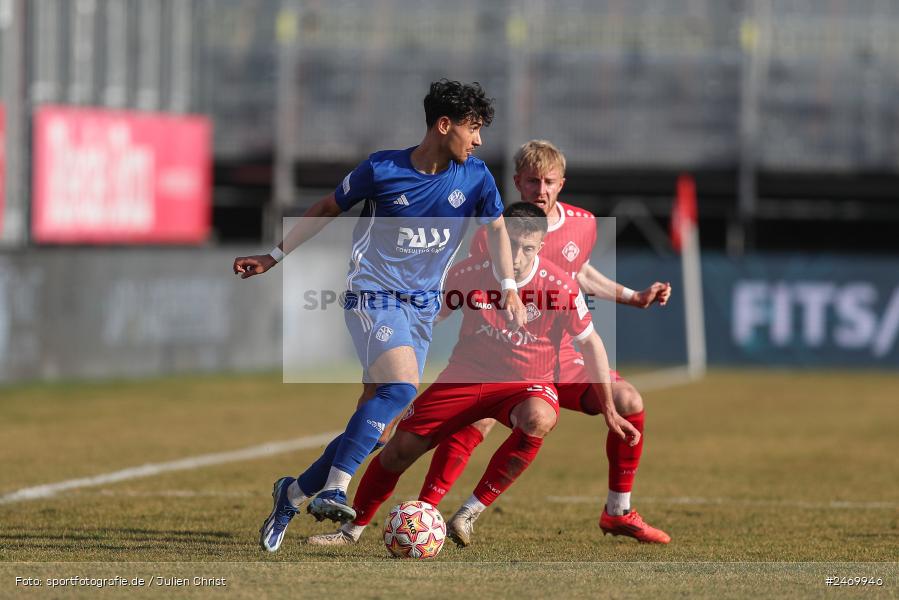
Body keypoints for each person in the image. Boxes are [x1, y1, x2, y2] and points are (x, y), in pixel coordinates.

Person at [233, 79, 527, 552]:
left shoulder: (475, 177)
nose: (478, 141)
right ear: (443, 124)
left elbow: (496, 231)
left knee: (376, 430)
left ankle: (290, 494)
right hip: (372, 294)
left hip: (421, 308)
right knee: (402, 388)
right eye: (473, 129)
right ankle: (335, 488)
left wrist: (509, 287)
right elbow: (328, 206)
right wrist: (272, 257)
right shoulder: (382, 168)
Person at [307, 202, 638, 548]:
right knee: (398, 451)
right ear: (496, 240)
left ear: (540, 247)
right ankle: (350, 531)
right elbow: (426, 318)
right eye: (510, 244)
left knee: (540, 418)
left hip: (527, 384)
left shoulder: (560, 286)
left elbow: (591, 344)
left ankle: (469, 512)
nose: (518, 255)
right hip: (465, 377)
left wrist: (610, 410)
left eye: (528, 248)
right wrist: (386, 358)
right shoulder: (467, 273)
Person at [418, 140, 673, 543]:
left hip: (564, 355)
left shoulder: (584, 223)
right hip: (509, 352)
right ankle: (425, 510)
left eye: (549, 182)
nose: (541, 189)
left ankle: (618, 511)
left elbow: (581, 273)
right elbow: (481, 290)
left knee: (630, 402)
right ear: (518, 182)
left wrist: (633, 297)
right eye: (533, 181)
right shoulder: (495, 232)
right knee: (478, 420)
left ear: (562, 183)